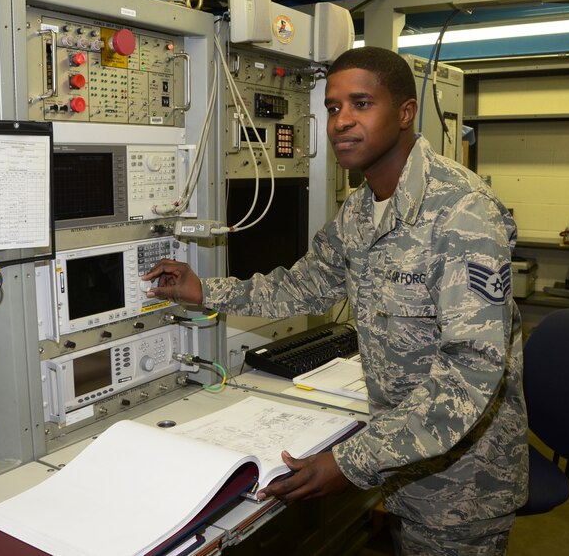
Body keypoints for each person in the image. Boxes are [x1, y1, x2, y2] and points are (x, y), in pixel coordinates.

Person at [144, 46, 528, 555]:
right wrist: (204, 291)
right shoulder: (362, 210)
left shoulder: (462, 214)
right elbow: (303, 284)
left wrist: (350, 461)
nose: (341, 122)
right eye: (332, 107)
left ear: (405, 113)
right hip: (404, 458)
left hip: (462, 481)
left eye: (361, 104)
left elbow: (471, 372)